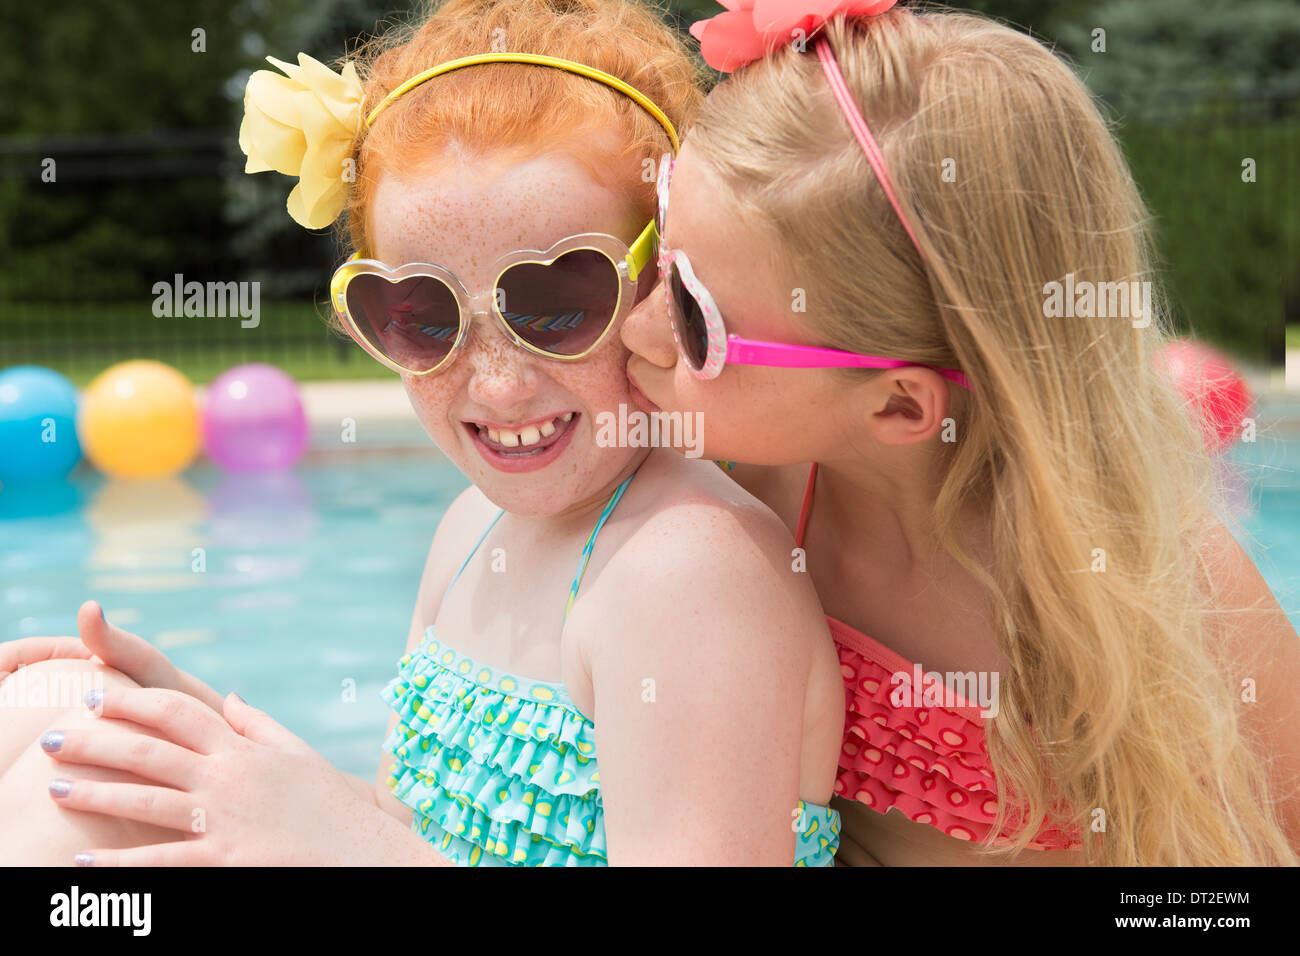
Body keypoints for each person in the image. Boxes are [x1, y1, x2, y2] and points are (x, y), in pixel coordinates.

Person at [0, 0, 844, 866]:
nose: (498, 381)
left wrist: (333, 838)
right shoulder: (471, 531)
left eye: (557, 306)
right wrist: (206, 733)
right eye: (423, 317)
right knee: (65, 709)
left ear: (664, 281)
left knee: (66, 811)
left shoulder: (688, 568)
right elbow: (415, 831)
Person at [620, 0, 1300, 865]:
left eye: (692, 314)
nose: (635, 326)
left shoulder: (1159, 590)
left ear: (901, 407)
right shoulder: (717, 495)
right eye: (657, 242)